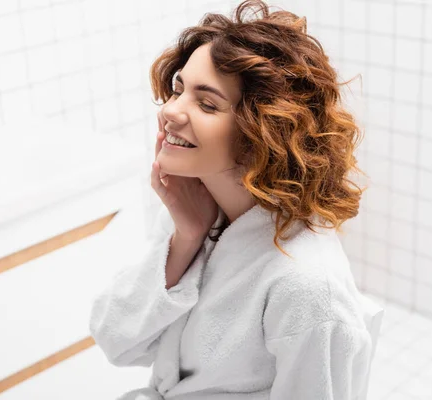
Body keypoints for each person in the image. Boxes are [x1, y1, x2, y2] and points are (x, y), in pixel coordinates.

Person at [90, 1, 383, 398]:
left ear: (264, 132)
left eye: (207, 103)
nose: (171, 112)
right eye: (178, 90)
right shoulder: (197, 214)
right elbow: (115, 340)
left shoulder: (307, 284)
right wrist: (185, 239)